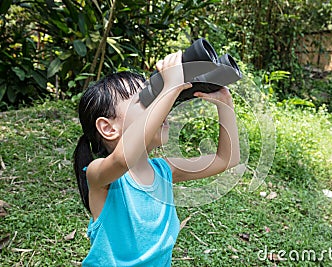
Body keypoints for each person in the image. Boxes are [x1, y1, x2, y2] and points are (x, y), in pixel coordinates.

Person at [73, 50, 240, 266]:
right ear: (108, 128)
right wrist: (170, 87)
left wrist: (225, 105)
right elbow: (123, 159)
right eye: (145, 100)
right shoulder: (99, 175)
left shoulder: (164, 171)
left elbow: (226, 159)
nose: (161, 109)